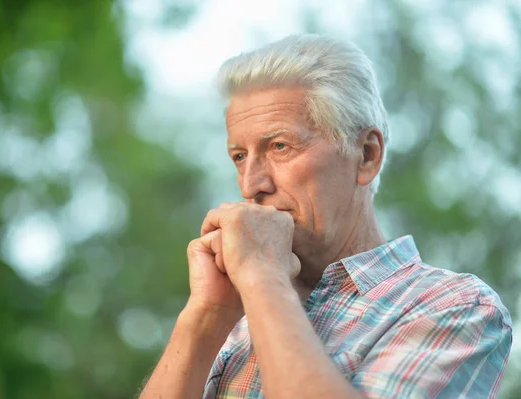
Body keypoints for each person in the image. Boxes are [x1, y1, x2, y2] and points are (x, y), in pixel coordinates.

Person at [139, 34, 513, 399]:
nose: (250, 185)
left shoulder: (455, 308)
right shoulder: (237, 314)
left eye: (279, 146)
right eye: (239, 156)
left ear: (366, 156)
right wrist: (207, 316)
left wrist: (262, 278)